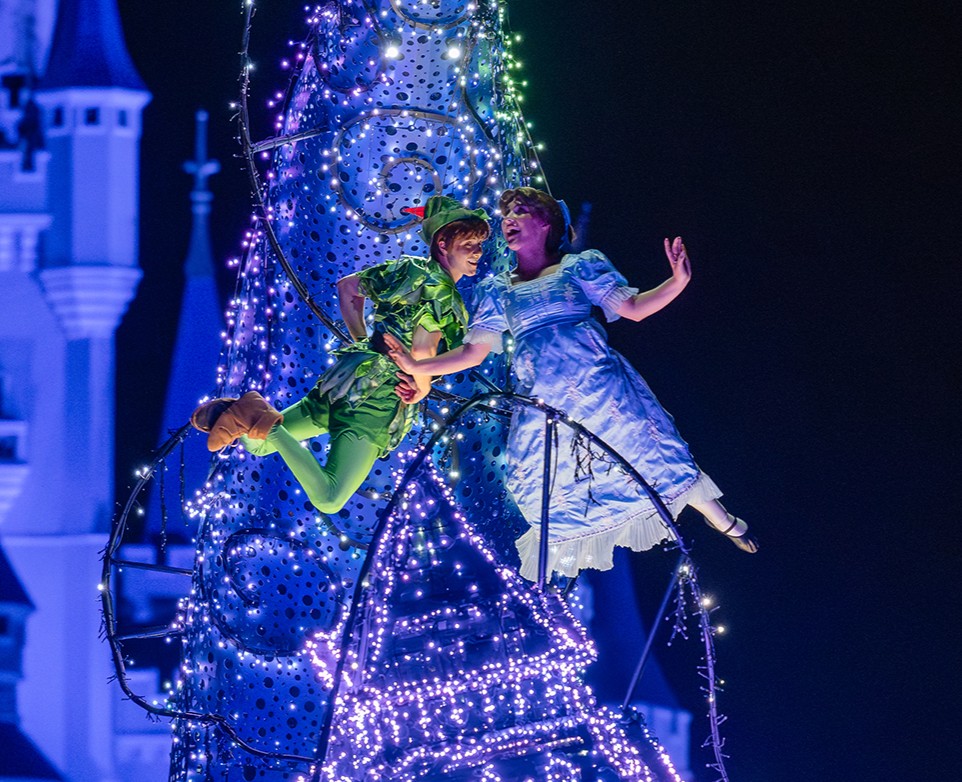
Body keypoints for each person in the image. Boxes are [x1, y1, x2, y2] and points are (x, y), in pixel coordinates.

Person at [386, 187, 758, 580]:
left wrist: (677, 281)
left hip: (600, 388)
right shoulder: (497, 290)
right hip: (544, 402)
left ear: (546, 222)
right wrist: (416, 366)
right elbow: (472, 353)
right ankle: (558, 588)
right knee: (546, 488)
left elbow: (631, 310)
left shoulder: (579, 267)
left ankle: (725, 520)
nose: (508, 219)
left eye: (520, 211)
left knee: (649, 455)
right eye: (506, 213)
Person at [190, 195, 490, 514]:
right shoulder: (443, 293)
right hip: (377, 400)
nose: (477, 252)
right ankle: (261, 419)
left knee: (259, 442)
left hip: (346, 379)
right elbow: (420, 349)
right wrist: (422, 387)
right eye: (469, 242)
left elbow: (348, 288)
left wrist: (364, 346)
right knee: (330, 498)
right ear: (442, 243)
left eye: (479, 244)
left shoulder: (408, 269)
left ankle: (245, 411)